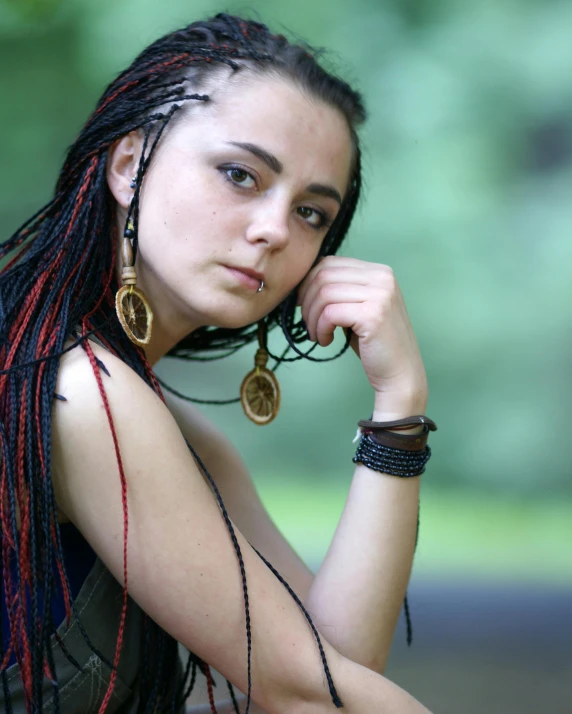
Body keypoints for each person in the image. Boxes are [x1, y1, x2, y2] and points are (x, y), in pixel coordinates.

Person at [0, 12, 436, 714]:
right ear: (127, 164)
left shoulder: (181, 439)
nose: (273, 229)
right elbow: (314, 695)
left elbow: (337, 669)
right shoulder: (79, 393)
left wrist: (399, 401)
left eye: (312, 214)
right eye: (240, 174)